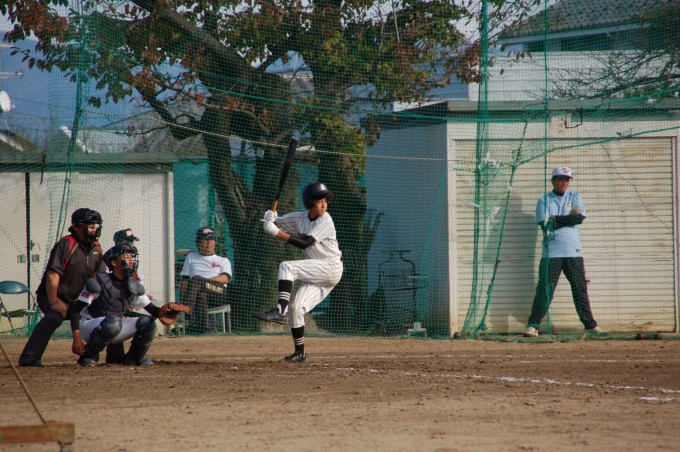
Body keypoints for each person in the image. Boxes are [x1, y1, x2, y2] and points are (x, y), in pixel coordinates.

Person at [253, 182, 343, 363]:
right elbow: (275, 223)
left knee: (287, 266)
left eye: (326, 200)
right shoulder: (298, 218)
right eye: (319, 201)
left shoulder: (325, 220)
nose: (324, 204)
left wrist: (276, 232)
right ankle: (300, 353)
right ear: (309, 202)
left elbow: (304, 243)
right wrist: (270, 217)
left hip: (330, 267)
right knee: (296, 308)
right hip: (316, 271)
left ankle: (280, 310)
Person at [18, 208, 106, 367]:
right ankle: (29, 356)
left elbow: (101, 279)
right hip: (54, 295)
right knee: (54, 317)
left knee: (107, 317)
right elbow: (53, 274)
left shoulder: (97, 248)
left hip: (80, 300)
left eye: (96, 226)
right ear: (76, 226)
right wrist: (54, 302)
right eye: (90, 225)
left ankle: (94, 356)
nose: (94, 229)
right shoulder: (66, 244)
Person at [524, 166, 603, 337]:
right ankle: (533, 325)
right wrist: (568, 218)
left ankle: (590, 325)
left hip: (573, 252)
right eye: (560, 179)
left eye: (567, 180)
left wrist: (557, 218)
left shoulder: (575, 197)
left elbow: (579, 219)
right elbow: (546, 225)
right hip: (552, 253)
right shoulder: (544, 200)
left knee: (579, 288)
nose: (564, 183)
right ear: (553, 180)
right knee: (545, 290)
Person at [70, 243, 161, 366]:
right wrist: (76, 337)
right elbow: (75, 310)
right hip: (90, 326)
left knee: (148, 324)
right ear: (114, 262)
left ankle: (134, 358)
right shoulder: (98, 282)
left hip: (114, 325)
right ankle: (88, 356)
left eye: (132, 257)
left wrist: (168, 311)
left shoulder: (132, 285)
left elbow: (154, 311)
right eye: (126, 257)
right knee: (113, 322)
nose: (131, 261)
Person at [106, 228, 152, 364]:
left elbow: (138, 282)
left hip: (128, 301)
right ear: (117, 243)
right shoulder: (110, 260)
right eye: (126, 241)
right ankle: (107, 356)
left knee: (149, 322)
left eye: (131, 242)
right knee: (114, 318)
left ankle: (133, 357)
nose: (130, 245)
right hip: (107, 305)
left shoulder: (132, 261)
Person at [179, 227, 232, 333]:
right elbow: (185, 281)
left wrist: (203, 282)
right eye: (205, 239)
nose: (209, 242)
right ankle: (204, 329)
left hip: (218, 293)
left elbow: (225, 278)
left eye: (211, 239)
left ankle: (187, 309)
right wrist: (182, 298)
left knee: (196, 280)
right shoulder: (191, 257)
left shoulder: (223, 260)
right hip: (198, 295)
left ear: (215, 242)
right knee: (201, 294)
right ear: (197, 243)